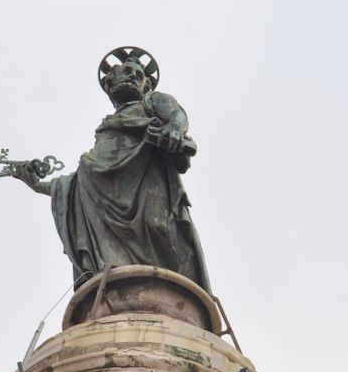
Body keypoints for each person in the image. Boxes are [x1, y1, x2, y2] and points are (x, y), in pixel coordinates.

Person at [13, 47, 211, 293]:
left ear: (145, 85)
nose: (131, 76)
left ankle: (179, 294)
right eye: (124, 72)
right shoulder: (106, 131)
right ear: (109, 83)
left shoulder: (152, 102)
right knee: (86, 165)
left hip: (149, 185)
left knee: (159, 227)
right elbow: (79, 185)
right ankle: (118, 288)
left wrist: (173, 129)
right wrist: (35, 184)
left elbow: (177, 116)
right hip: (104, 206)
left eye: (137, 74)